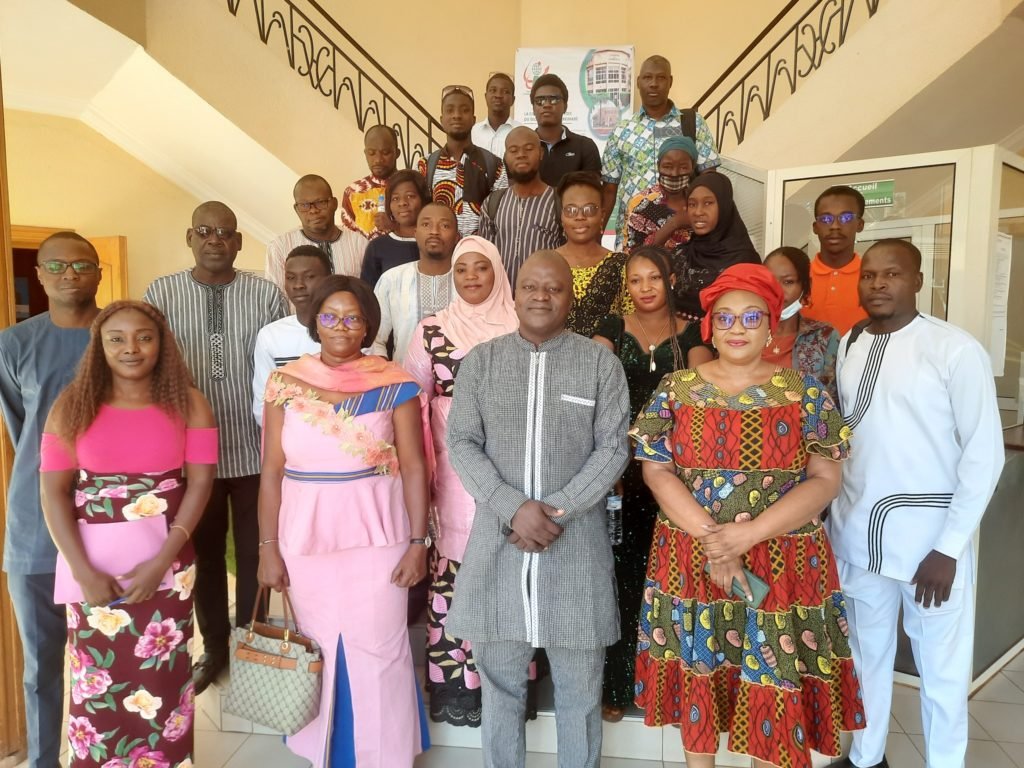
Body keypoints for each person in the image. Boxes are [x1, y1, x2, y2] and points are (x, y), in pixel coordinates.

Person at [630, 262, 864, 768]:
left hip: (781, 561)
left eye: (752, 317)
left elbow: (826, 479)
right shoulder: (676, 389)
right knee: (701, 673)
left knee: (772, 679)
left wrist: (749, 535)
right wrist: (717, 542)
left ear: (771, 324)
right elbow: (656, 470)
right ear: (711, 326)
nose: (738, 328)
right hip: (691, 559)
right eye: (726, 317)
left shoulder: (805, 392)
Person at [446, 251, 630, 768]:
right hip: (498, 551)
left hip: (575, 552)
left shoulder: (600, 364)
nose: (541, 296)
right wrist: (513, 507)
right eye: (530, 286)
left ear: (570, 297)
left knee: (580, 694)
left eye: (554, 288)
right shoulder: (482, 362)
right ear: (515, 293)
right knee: (501, 690)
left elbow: (614, 448)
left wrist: (555, 511)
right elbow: (461, 442)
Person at [828, 240, 1003, 768]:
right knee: (865, 658)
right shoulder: (850, 342)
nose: (878, 284)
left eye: (893, 274)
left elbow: (984, 456)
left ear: (918, 282)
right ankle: (867, 757)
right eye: (869, 275)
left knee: (942, 671)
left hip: (930, 545)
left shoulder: (954, 349)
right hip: (857, 536)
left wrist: (949, 548)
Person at [257, 275, 430, 768]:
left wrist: (418, 543)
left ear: (368, 325)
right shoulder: (285, 383)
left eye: (353, 318)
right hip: (304, 537)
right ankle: (324, 754)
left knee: (380, 645)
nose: (341, 326)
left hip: (378, 536)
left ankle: (386, 757)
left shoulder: (393, 383)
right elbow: (271, 470)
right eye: (330, 316)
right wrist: (268, 546)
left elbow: (414, 466)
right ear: (315, 321)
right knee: (315, 643)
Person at [39, 300, 217, 768]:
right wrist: (82, 571)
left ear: (162, 344)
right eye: (116, 338)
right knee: (95, 679)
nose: (130, 348)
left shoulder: (191, 404)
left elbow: (200, 484)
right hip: (92, 567)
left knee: (161, 678)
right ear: (99, 346)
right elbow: (53, 492)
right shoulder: (71, 406)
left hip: (168, 563)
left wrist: (162, 560)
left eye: (144, 337)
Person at [143, 201, 289, 693]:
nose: (215, 240)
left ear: (239, 242)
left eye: (225, 233)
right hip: (191, 455)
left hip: (255, 450)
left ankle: (253, 646)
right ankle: (215, 649)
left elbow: (283, 368)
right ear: (190, 237)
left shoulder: (265, 294)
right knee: (203, 557)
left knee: (255, 553)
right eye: (204, 231)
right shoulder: (161, 293)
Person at [592, 245, 712, 721]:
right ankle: (618, 686)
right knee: (620, 579)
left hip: (674, 476)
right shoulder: (610, 329)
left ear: (670, 280)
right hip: (619, 474)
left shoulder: (692, 334)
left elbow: (701, 401)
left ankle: (670, 689)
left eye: (654, 278)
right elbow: (594, 397)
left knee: (672, 580)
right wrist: (610, 463)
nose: (645, 288)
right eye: (636, 280)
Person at [403, 235, 519, 727]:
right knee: (455, 564)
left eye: (482, 267)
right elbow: (411, 399)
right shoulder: (432, 330)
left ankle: (507, 685)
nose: (472, 277)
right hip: (452, 471)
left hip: (513, 470)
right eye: (462, 269)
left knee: (508, 567)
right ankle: (458, 688)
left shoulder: (522, 325)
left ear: (498, 272)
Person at [0, 232, 102, 768]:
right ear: (38, 275)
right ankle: (43, 760)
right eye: (56, 266)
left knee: (107, 658)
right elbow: (22, 429)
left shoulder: (121, 334)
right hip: (35, 526)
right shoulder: (13, 344)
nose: (69, 274)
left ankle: (104, 755)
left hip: (110, 521)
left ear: (99, 272)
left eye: (81, 264)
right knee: (41, 663)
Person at [602, 55, 721, 249]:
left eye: (661, 78)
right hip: (634, 235)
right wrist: (597, 235)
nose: (654, 84)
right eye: (647, 77)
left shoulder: (693, 123)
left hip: (685, 234)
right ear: (638, 82)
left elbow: (710, 179)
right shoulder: (621, 130)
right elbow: (609, 189)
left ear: (670, 81)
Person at [478, 126, 565, 290]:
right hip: (501, 299)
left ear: (541, 153)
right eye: (513, 150)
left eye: (529, 148)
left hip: (544, 298)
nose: (521, 155)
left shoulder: (559, 202)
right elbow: (484, 258)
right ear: (506, 157)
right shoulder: (492, 203)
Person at [252, 245, 330, 423]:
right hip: (287, 436)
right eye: (290, 278)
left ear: (328, 280)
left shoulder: (347, 332)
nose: (298, 285)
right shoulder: (270, 336)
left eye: (309, 277)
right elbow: (263, 406)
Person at [371, 203, 458, 363]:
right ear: (415, 233)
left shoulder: (467, 283)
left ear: (457, 237)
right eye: (426, 224)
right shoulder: (392, 279)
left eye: (444, 225)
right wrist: (384, 370)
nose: (434, 231)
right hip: (403, 376)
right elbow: (374, 338)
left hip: (460, 378)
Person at [418, 86, 507, 236]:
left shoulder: (494, 165)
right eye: (450, 110)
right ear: (441, 120)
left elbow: (501, 214)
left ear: (473, 119)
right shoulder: (426, 165)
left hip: (479, 248)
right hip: (438, 248)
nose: (457, 116)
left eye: (464, 110)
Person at [265, 174, 366, 298]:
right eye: (304, 205)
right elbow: (275, 298)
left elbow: (367, 294)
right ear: (296, 209)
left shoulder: (359, 244)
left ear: (334, 204)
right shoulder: (280, 246)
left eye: (321, 202)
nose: (313, 210)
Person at [675, 172, 761, 319]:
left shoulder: (745, 261)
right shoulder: (681, 254)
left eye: (708, 203)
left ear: (724, 206)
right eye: (692, 204)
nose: (698, 212)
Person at [553, 171, 628, 337]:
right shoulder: (546, 264)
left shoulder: (621, 264)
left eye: (589, 209)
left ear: (602, 215)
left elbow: (632, 322)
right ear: (562, 216)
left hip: (608, 353)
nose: (580, 216)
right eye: (571, 210)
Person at [762, 246, 840, 403]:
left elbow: (832, 402)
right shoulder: (743, 333)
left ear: (805, 285)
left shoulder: (824, 336)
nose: (777, 291)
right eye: (769, 282)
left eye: (788, 282)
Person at [801, 185, 869, 335]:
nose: (835, 226)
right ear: (815, 227)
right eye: (826, 219)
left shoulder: (872, 278)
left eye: (846, 218)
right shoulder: (797, 278)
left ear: (860, 224)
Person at [624, 136, 698, 253]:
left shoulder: (701, 200)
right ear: (658, 166)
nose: (674, 173)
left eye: (683, 167)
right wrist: (674, 223)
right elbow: (634, 254)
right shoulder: (642, 203)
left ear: (692, 167)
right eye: (667, 167)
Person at [360, 170, 431, 288]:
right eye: (395, 198)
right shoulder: (377, 247)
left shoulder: (435, 241)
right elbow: (367, 293)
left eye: (410, 196)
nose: (402, 203)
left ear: (423, 200)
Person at [530, 73, 601, 188]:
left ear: (565, 106)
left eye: (554, 100)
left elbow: (591, 193)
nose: (547, 105)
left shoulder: (585, 147)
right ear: (533, 108)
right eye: (540, 100)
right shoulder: (523, 149)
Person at [341, 125, 400, 240]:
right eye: (371, 153)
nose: (378, 160)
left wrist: (394, 227)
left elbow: (423, 229)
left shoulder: (411, 187)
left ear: (397, 153)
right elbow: (348, 238)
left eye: (385, 152)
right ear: (365, 153)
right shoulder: (353, 191)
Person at [471, 72, 521, 156]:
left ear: (513, 100)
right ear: (486, 97)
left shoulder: (521, 132)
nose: (498, 95)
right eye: (493, 90)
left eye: (505, 92)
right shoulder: (473, 132)